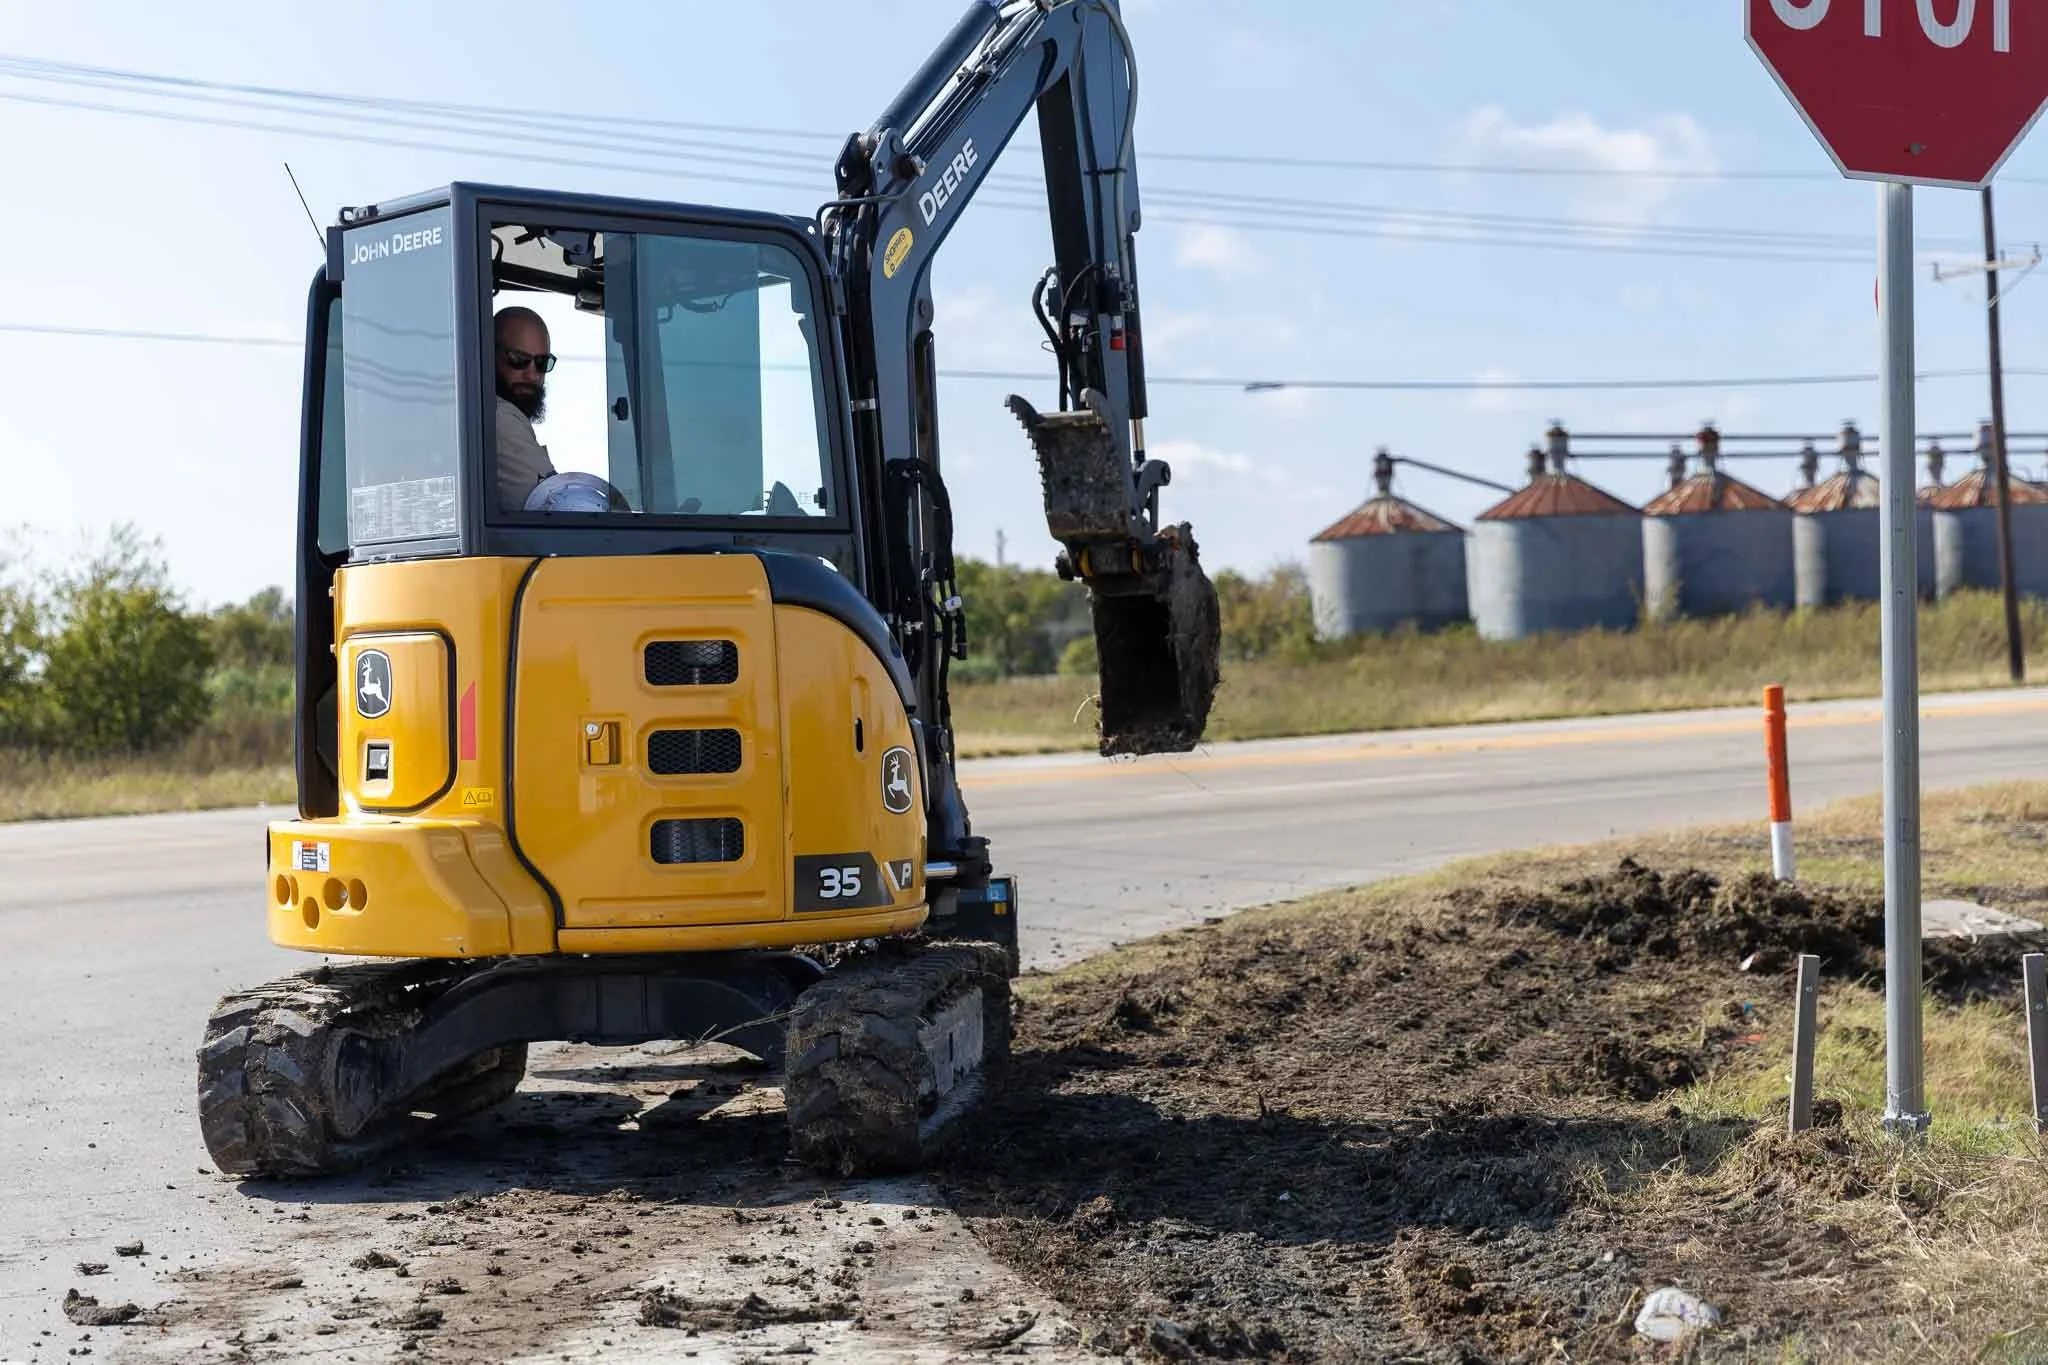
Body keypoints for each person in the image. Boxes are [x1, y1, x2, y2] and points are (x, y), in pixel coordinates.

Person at [494, 306, 557, 512]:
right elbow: (552, 509)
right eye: (519, 361)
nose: (532, 375)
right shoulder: (497, 416)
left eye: (542, 363)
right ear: (487, 355)